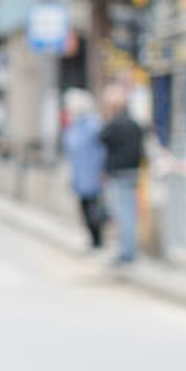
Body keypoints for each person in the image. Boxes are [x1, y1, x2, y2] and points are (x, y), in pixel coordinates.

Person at [97, 84, 147, 266]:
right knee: (129, 214)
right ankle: (128, 251)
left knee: (123, 214)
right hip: (133, 172)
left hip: (119, 175)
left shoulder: (115, 125)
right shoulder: (134, 124)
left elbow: (101, 137)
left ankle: (127, 253)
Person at [60, 88, 107, 250]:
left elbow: (102, 149)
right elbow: (69, 148)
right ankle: (92, 239)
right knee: (84, 207)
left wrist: (102, 170)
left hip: (92, 172)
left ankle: (98, 239)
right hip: (79, 173)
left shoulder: (94, 124)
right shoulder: (73, 126)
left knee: (94, 207)